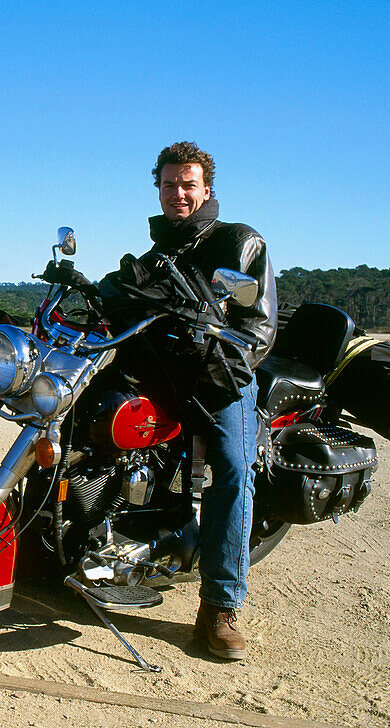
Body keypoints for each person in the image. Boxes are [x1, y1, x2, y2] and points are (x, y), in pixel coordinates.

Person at [145, 142, 277, 659]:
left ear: (206, 190)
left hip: (223, 371)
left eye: (187, 184)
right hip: (169, 368)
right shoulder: (161, 249)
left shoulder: (239, 242)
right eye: (168, 184)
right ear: (157, 188)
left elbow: (259, 326)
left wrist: (224, 363)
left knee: (230, 466)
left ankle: (220, 605)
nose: (177, 192)